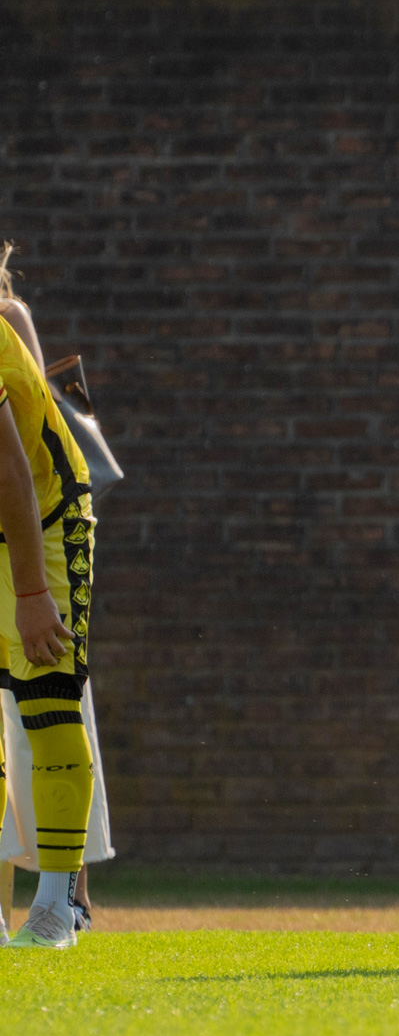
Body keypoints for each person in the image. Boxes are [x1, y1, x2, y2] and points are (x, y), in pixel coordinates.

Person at [0, 267, 113, 933]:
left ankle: (54, 910)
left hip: (42, 512)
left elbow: (11, 470)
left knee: (46, 690)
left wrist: (33, 592)